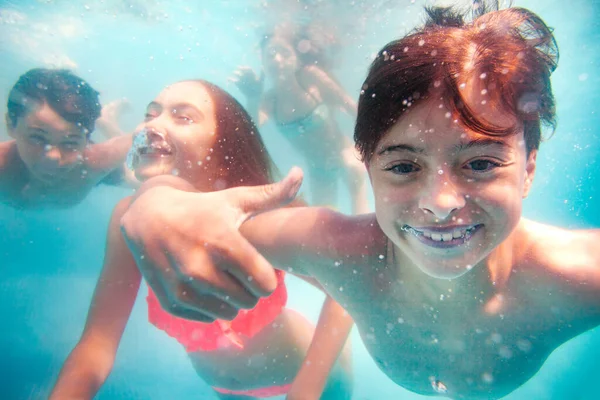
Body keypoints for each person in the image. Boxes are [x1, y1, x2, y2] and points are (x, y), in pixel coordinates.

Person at [118, 6, 600, 400]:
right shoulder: (336, 249)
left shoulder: (578, 277)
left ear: (529, 168)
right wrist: (153, 198)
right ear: (370, 169)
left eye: (479, 164)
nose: (440, 203)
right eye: (404, 167)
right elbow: (193, 218)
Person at [50, 80, 353, 400]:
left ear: (223, 145)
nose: (153, 124)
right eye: (150, 114)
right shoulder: (128, 220)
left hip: (308, 376)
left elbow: (345, 288)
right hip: (225, 390)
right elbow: (96, 346)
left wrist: (306, 391)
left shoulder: (253, 216)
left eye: (183, 117)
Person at [231, 27, 369, 214]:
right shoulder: (269, 100)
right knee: (324, 230)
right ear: (263, 62)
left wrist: (365, 147)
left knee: (358, 207)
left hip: (345, 156)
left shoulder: (310, 78)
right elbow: (251, 131)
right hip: (319, 172)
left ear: (296, 59)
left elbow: (351, 107)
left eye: (285, 53)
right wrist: (253, 98)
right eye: (270, 55)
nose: (277, 60)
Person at [0, 68, 132, 209]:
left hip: (87, 167)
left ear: (87, 139)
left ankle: (107, 121)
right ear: (11, 125)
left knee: (133, 177)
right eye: (37, 138)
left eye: (70, 142)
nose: (53, 157)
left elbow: (146, 136)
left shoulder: (96, 163)